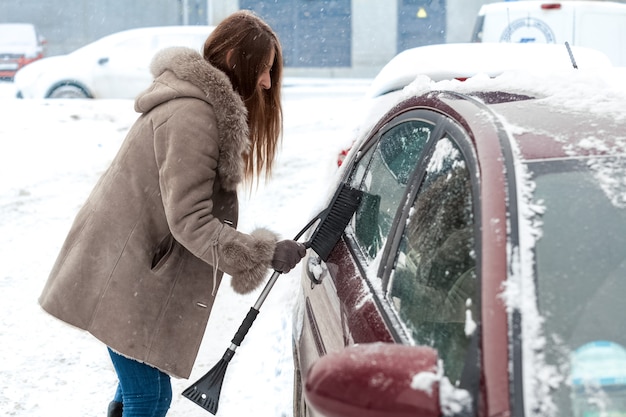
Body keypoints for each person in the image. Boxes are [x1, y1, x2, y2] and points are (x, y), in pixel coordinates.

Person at [38, 10, 306, 417]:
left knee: (137, 393)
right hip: (125, 274)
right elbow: (190, 220)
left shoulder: (197, 107)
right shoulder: (193, 116)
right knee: (150, 397)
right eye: (264, 70)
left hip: (129, 268)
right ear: (235, 57)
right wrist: (262, 252)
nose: (268, 82)